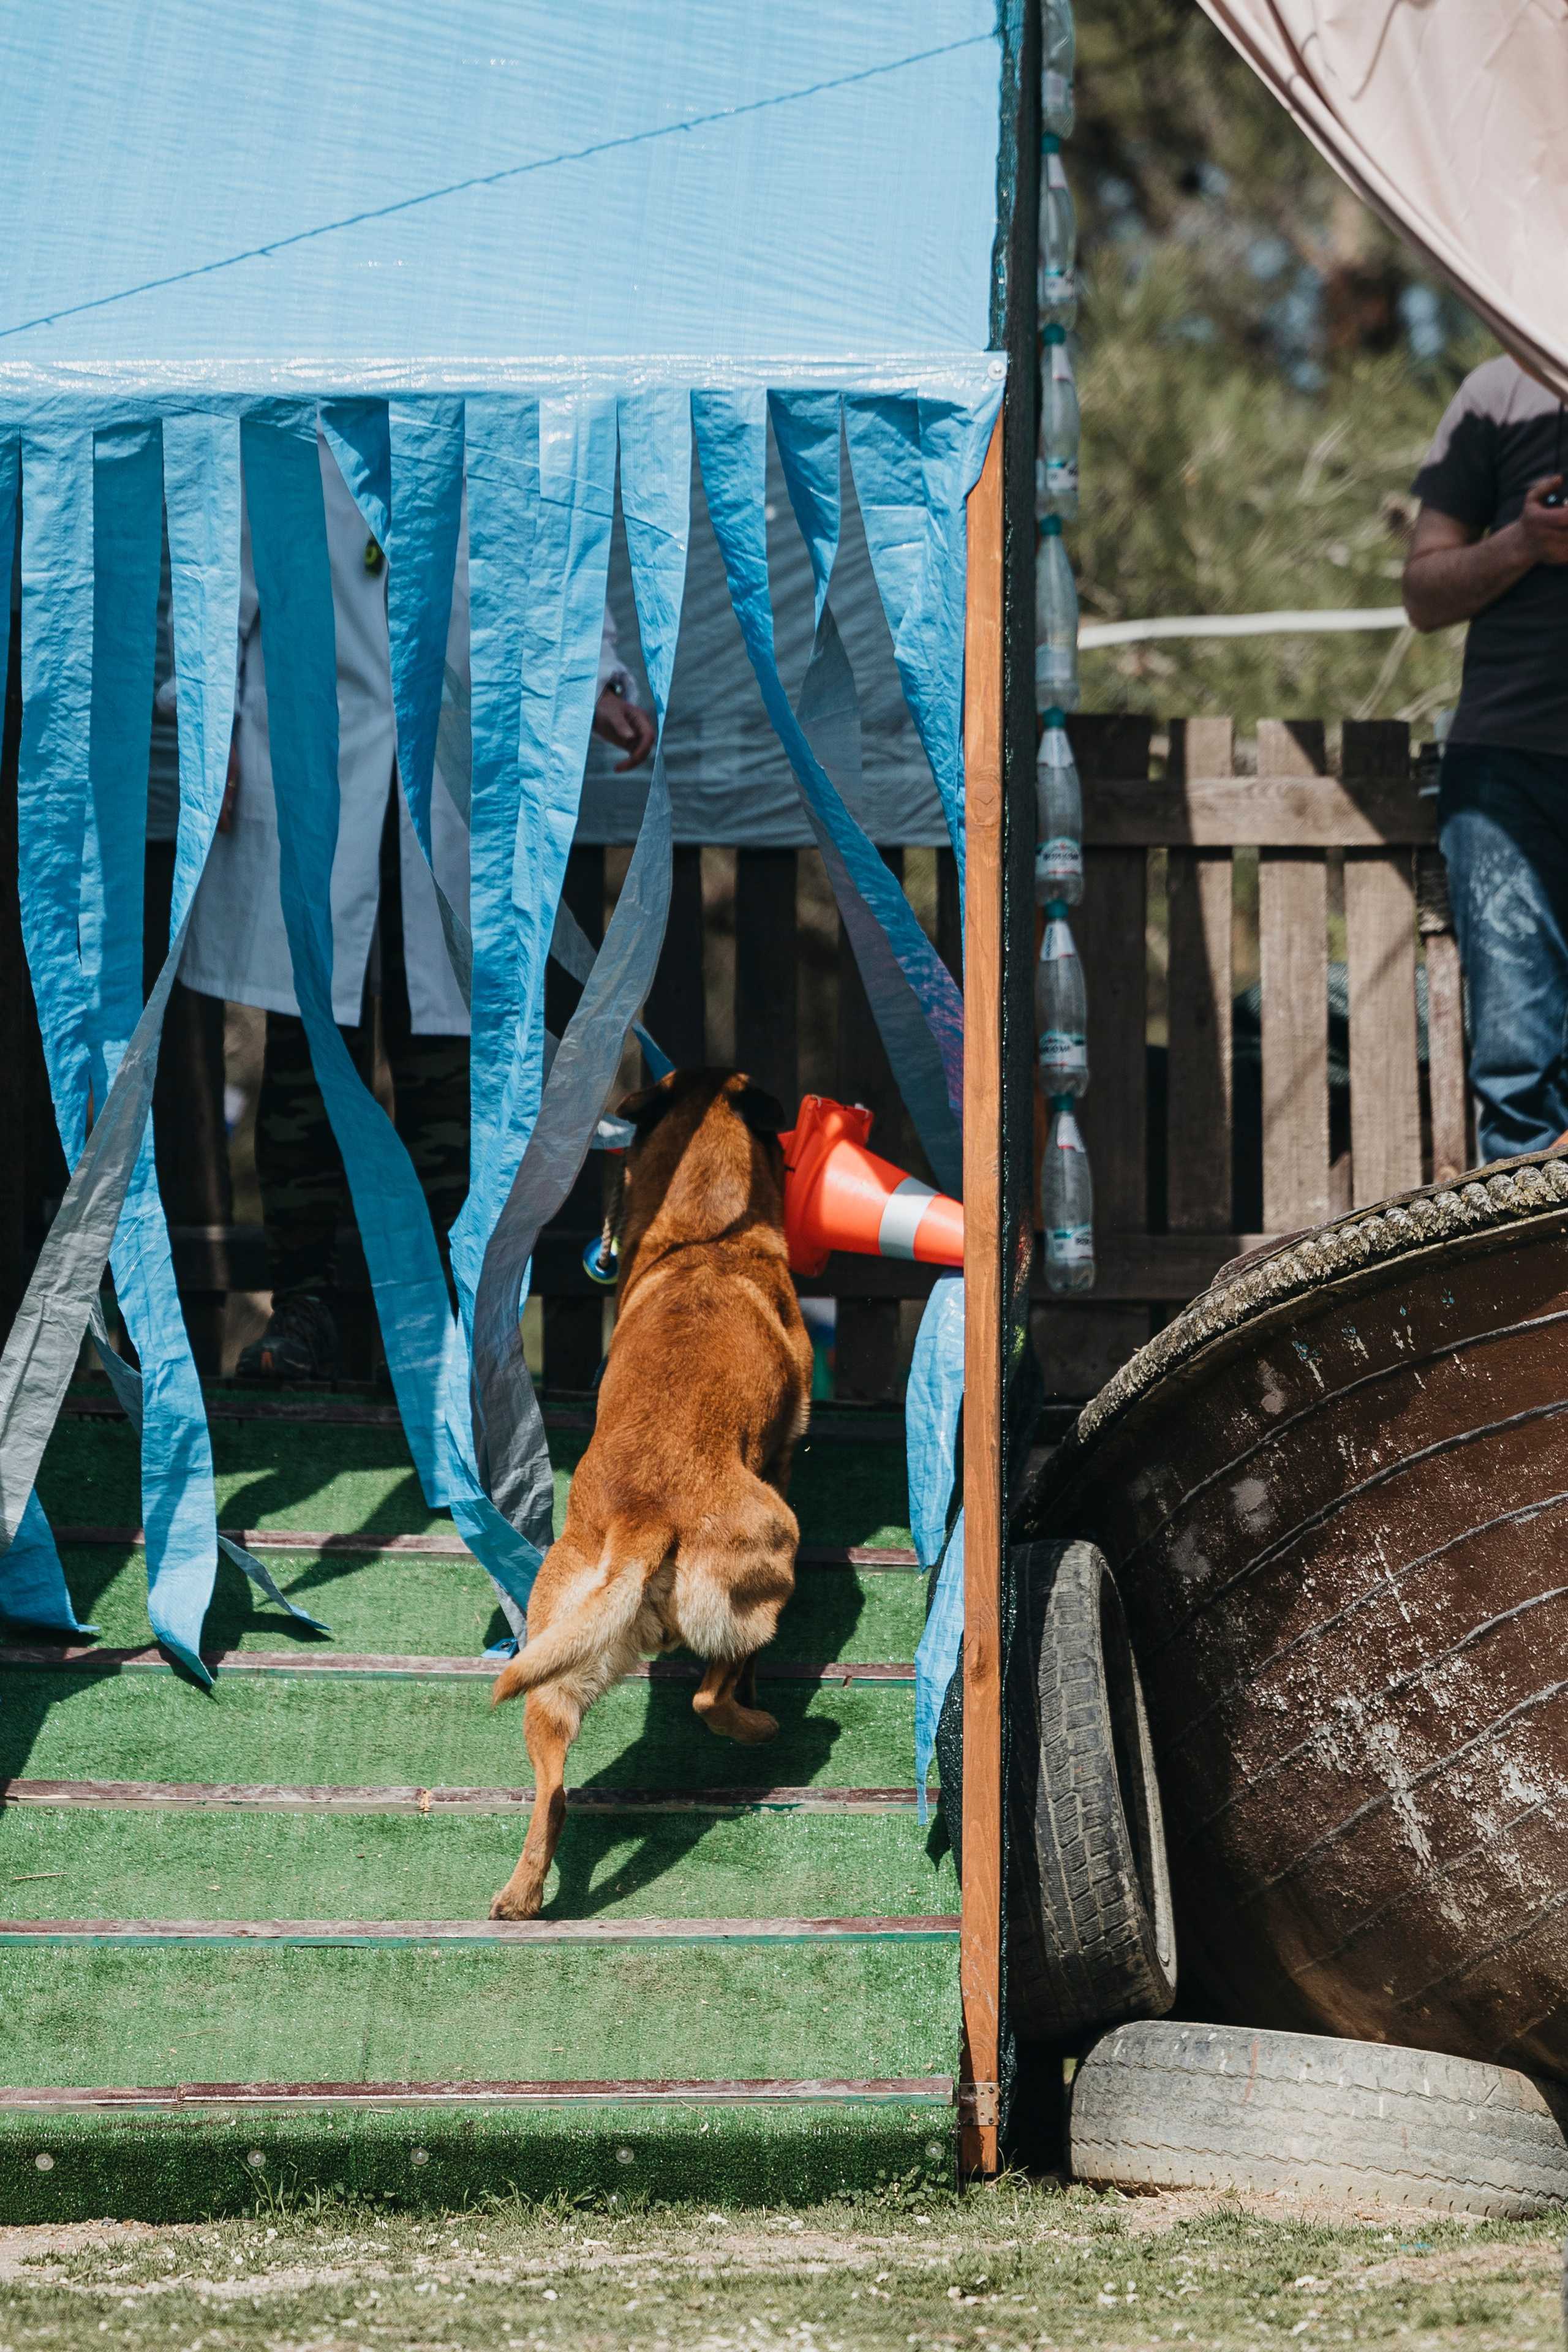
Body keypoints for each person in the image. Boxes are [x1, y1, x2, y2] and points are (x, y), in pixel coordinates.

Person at [181, 426, 654, 1379]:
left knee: (452, 1053)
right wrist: (210, 713)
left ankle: (454, 1322)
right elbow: (224, 562)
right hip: (318, 753)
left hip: (457, 777)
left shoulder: (491, 408)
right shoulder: (288, 410)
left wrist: (599, 671)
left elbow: (547, 547)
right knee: (311, 1048)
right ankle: (305, 1311)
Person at [1403, 356, 1568, 1163]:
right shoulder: (1498, 393)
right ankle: (1540, 1289)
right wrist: (1525, 542)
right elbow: (1425, 593)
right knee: (1517, 1069)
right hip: (1509, 773)